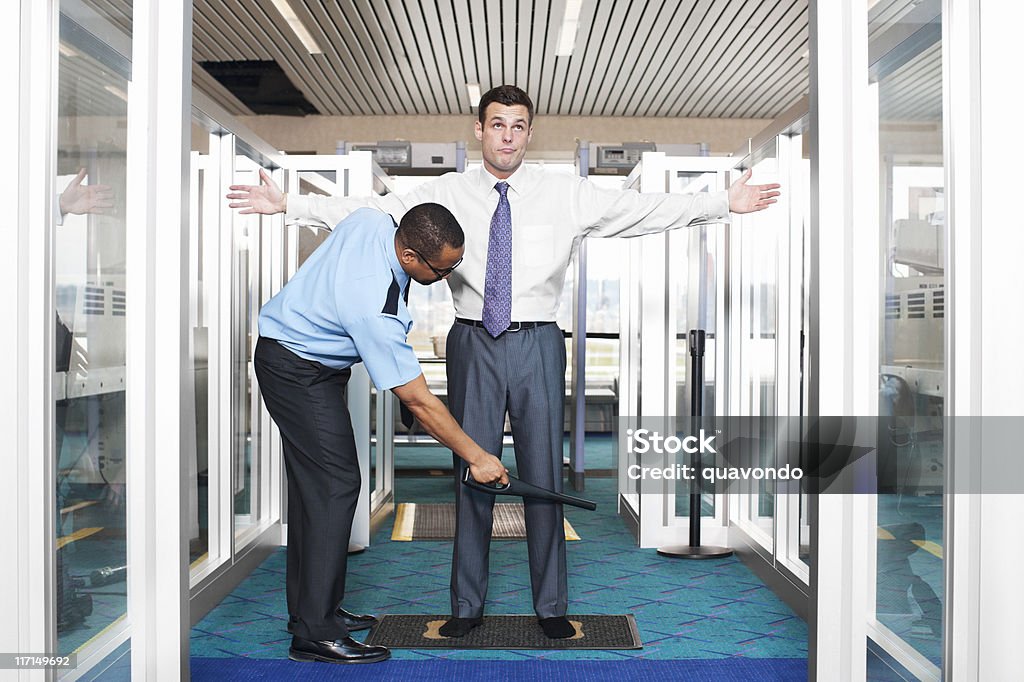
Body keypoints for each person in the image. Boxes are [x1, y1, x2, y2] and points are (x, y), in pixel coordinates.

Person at [227, 85, 780, 640]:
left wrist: (719, 204)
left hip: (539, 341)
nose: (507, 136)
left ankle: (551, 605)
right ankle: (467, 605)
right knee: (473, 469)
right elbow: (368, 213)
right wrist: (290, 206)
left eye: (518, 126)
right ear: (479, 129)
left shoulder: (566, 193)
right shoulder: (446, 192)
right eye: (497, 125)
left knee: (542, 471)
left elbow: (641, 210)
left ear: (529, 133)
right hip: (474, 339)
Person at [251, 202, 508, 664]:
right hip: (296, 368)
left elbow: (340, 214)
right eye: (443, 269)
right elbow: (419, 401)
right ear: (410, 257)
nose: (448, 275)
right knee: (335, 486)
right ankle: (315, 633)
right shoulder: (374, 305)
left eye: (456, 264)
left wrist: (287, 204)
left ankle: (312, 610)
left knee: (316, 489)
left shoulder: (371, 220)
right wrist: (477, 456)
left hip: (307, 359)